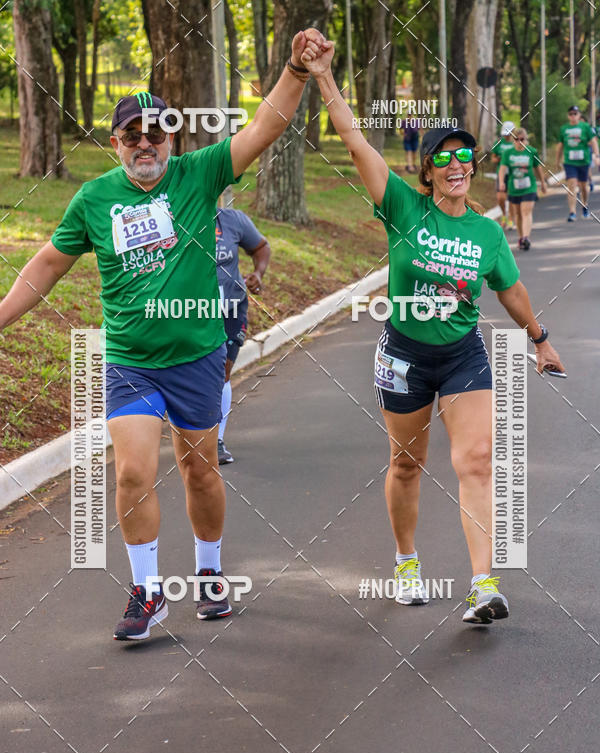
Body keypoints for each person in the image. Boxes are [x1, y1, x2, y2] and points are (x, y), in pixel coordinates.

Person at [0, 29, 319, 640]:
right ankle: (147, 592)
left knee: (200, 470)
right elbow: (45, 266)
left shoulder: (199, 174)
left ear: (173, 137)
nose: (145, 143)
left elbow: (265, 127)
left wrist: (297, 72)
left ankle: (209, 571)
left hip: (197, 357)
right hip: (130, 361)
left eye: (157, 132)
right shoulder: (94, 199)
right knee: (131, 473)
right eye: (133, 135)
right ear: (115, 143)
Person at [301, 34, 564, 625]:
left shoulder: (487, 232)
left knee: (476, 461)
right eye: (442, 158)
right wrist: (322, 76)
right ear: (427, 170)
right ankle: (406, 561)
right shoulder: (402, 207)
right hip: (404, 356)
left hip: (464, 355)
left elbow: (511, 291)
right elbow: (354, 138)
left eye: (463, 155)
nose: (455, 165)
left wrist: (540, 339)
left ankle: (484, 585)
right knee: (405, 465)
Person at [215, 207, 270, 464]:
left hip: (232, 308)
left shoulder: (232, 220)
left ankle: (216, 440)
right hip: (189, 311)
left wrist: (258, 273)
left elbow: (261, 247)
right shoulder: (177, 218)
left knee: (222, 371)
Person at [498, 128, 546, 251]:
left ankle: (526, 237)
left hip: (529, 187)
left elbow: (538, 167)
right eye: (516, 139)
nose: (519, 142)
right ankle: (521, 237)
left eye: (522, 139)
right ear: (513, 140)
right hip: (514, 188)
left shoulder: (532, 151)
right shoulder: (508, 153)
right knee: (518, 214)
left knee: (526, 211)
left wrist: (543, 182)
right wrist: (501, 182)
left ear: (526, 140)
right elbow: (502, 168)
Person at [555, 105, 599, 221]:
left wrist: (596, 155)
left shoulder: (585, 127)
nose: (573, 116)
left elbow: (593, 141)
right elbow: (560, 146)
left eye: (575, 114)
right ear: (568, 116)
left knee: (583, 187)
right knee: (572, 184)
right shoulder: (564, 129)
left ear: (579, 115)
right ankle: (572, 212)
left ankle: (585, 205)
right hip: (569, 162)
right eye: (571, 114)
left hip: (583, 161)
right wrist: (557, 161)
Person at [491, 122, 515, 229]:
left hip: (513, 174)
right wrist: (500, 159)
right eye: (505, 134)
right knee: (501, 197)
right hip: (502, 174)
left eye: (509, 134)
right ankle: (504, 215)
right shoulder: (498, 143)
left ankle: (510, 219)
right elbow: (493, 159)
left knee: (512, 198)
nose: (507, 136)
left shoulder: (516, 142)